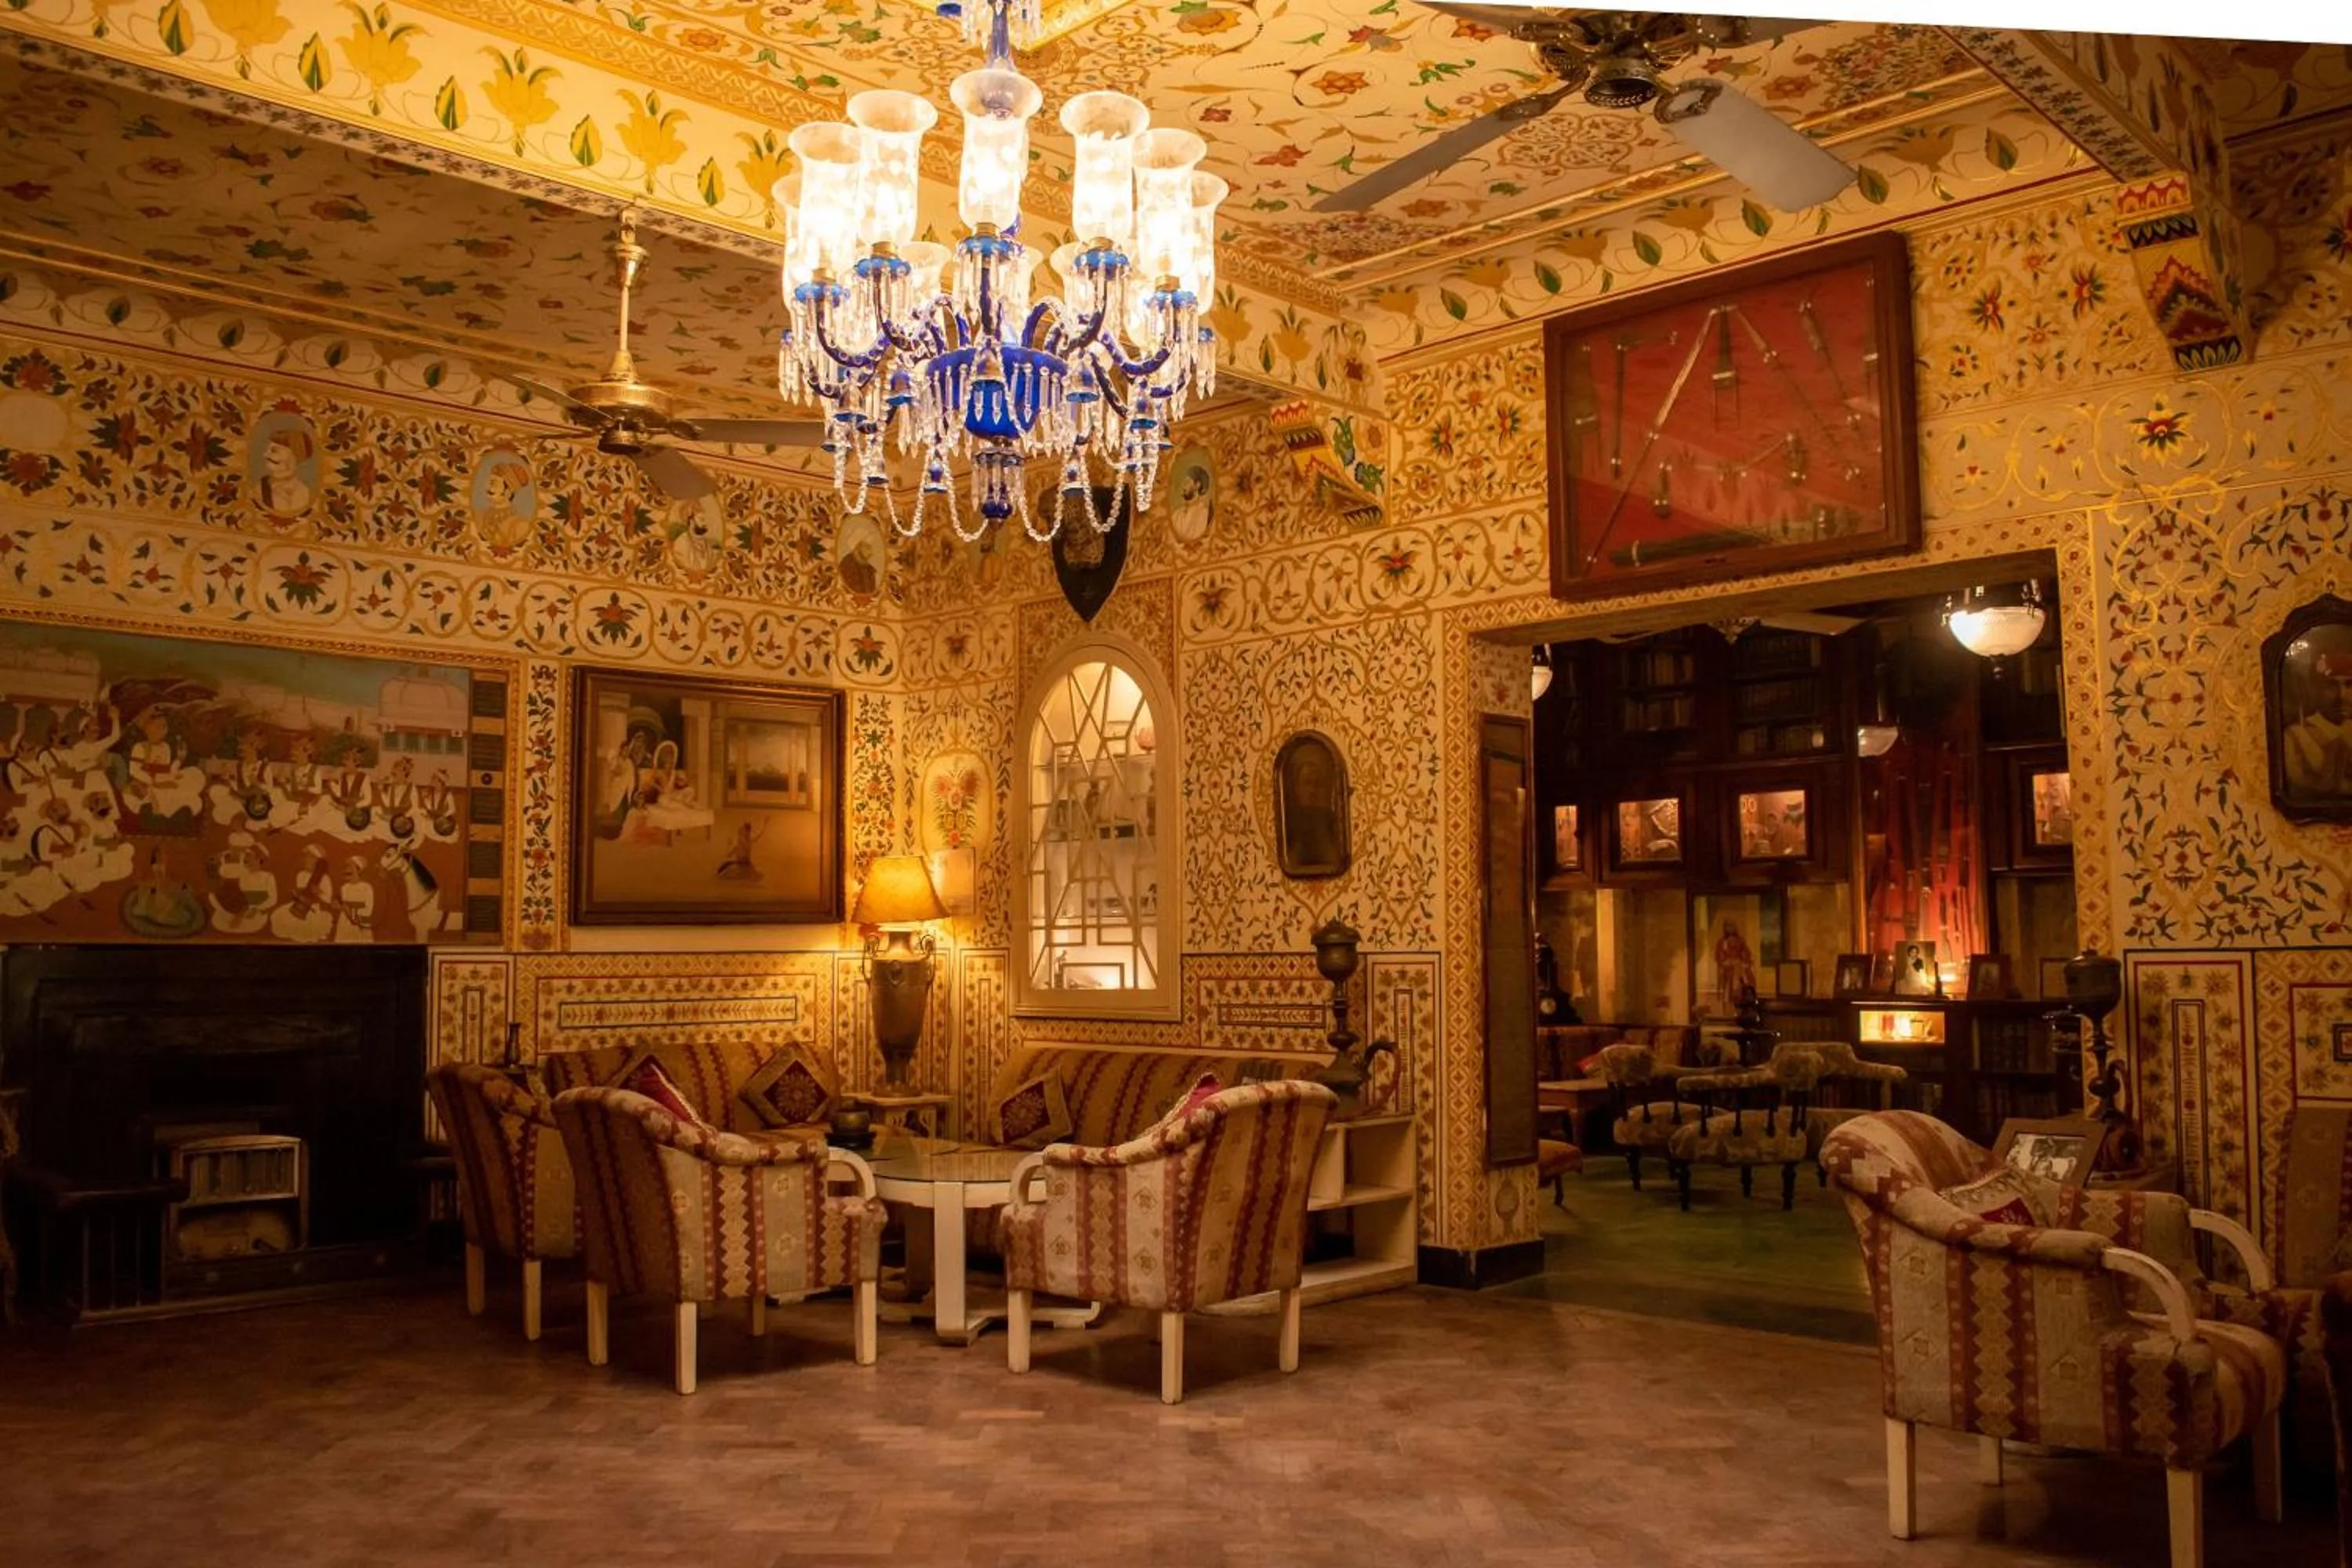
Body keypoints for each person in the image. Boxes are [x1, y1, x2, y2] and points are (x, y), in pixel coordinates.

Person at [2285, 648, 2352, 800]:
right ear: (2314, 690)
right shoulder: (2295, 737)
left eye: (2349, 685)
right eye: (2331, 686)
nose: (2342, 695)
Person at [255, 424, 314, 516]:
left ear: (296, 455)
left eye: (275, 451)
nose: (265, 455)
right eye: (268, 450)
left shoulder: (306, 493)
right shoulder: (259, 489)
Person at [1713, 917, 1756, 1011]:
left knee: (1744, 977)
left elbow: (1747, 954)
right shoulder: (1722, 942)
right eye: (1728, 926)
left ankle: (1742, 1000)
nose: (1730, 928)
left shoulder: (1741, 941)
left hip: (1739, 967)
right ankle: (1727, 1006)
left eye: (1732, 926)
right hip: (1727, 969)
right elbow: (1718, 957)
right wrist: (1726, 962)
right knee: (1730, 979)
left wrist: (1743, 962)